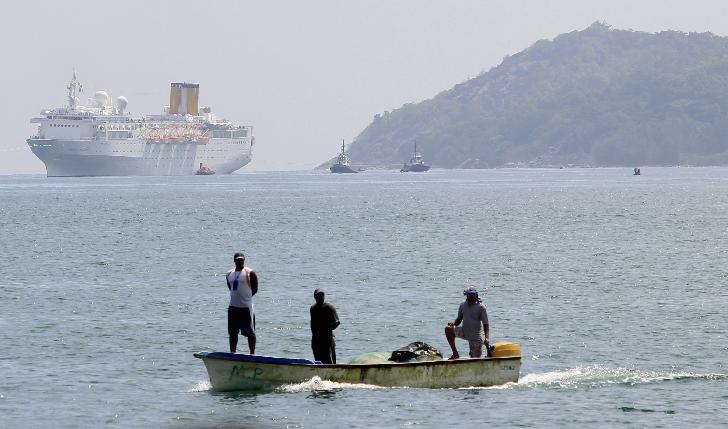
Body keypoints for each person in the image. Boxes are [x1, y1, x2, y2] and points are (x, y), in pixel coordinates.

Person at [444, 287, 490, 360]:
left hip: (475, 337)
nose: (471, 296)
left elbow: (486, 324)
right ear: (466, 295)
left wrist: (487, 338)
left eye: (473, 294)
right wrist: (453, 324)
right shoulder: (462, 305)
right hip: (464, 332)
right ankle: (455, 354)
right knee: (448, 329)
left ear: (476, 295)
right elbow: (459, 319)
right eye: (469, 295)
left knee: (475, 360)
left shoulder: (481, 307)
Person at [226, 252, 258, 354]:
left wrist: (246, 298)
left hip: (246, 307)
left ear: (244, 260)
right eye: (238, 260)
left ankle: (252, 353)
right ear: (234, 261)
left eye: (241, 259)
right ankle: (232, 353)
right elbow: (230, 288)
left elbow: (255, 289)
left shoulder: (250, 273)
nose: (240, 261)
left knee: (249, 332)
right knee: (232, 332)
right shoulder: (229, 274)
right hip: (233, 307)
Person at [309, 288, 340, 364]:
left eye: (322, 295)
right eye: (318, 295)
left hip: (327, 340)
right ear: (314, 297)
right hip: (316, 340)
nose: (320, 297)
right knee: (318, 362)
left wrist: (327, 330)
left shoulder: (329, 307)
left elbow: (337, 322)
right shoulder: (312, 309)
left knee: (329, 362)